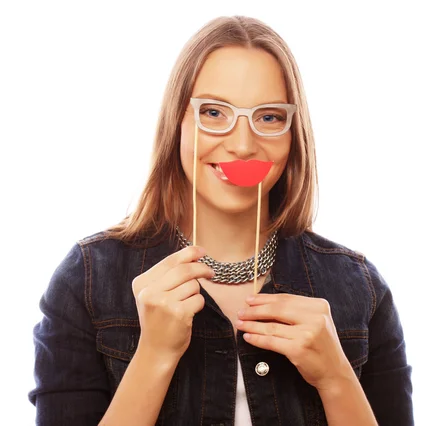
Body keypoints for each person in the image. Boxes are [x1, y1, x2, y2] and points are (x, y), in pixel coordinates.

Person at [28, 16, 413, 425]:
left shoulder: (361, 288)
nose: (243, 145)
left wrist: (336, 379)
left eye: (268, 118)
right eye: (214, 112)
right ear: (177, 122)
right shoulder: (87, 279)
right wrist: (154, 356)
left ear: (292, 132)